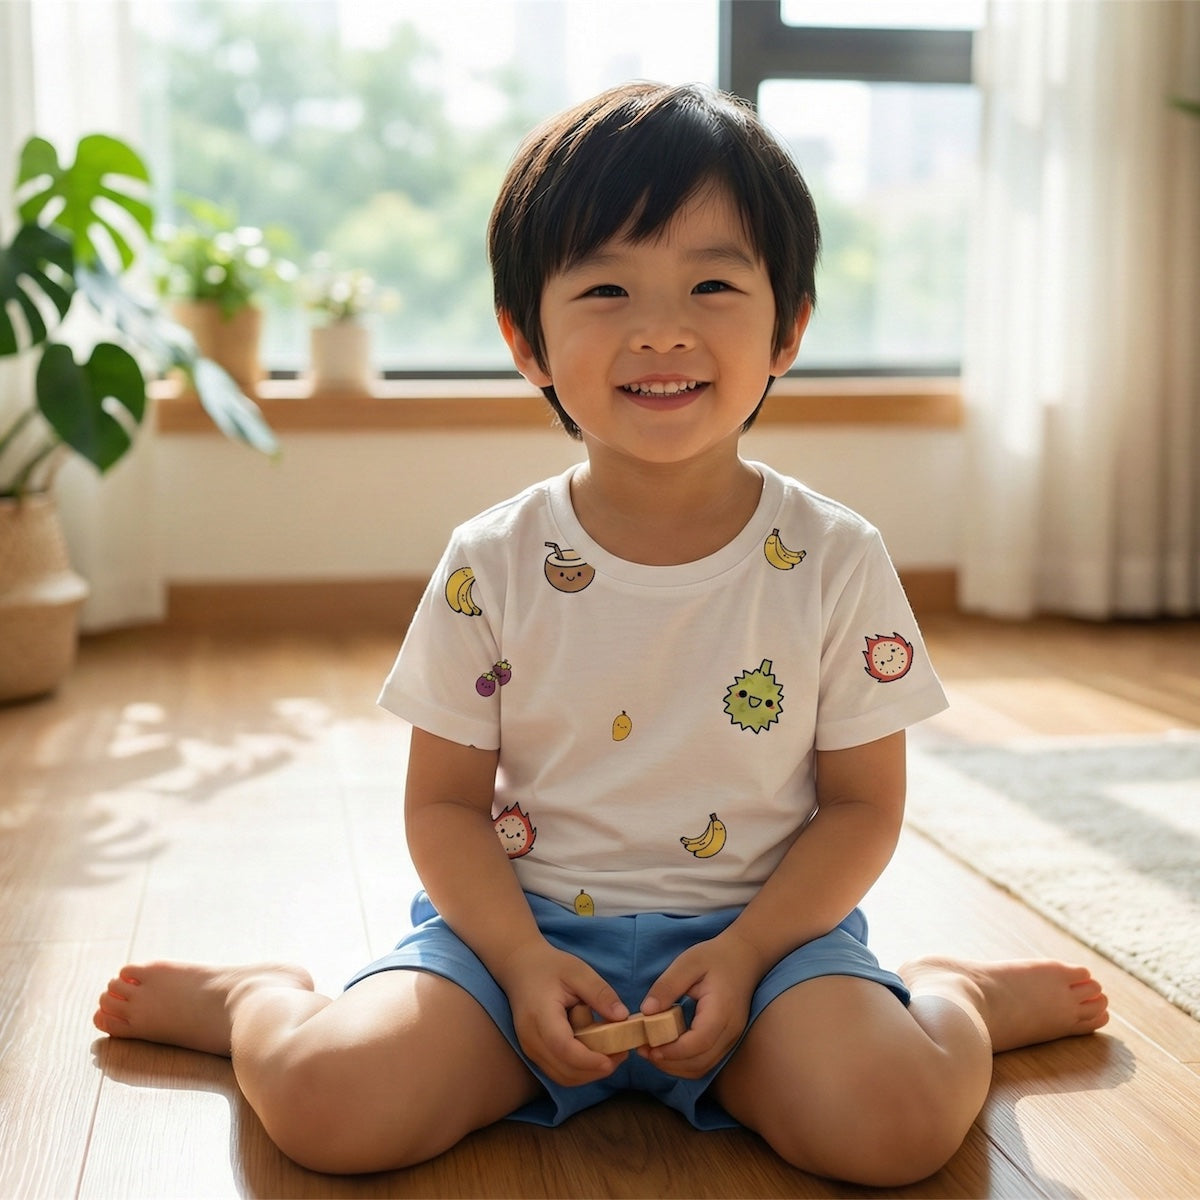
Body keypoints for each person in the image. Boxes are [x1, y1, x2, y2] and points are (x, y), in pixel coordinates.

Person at [93, 82, 1108, 1186]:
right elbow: (442, 804)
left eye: (714, 284)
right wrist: (522, 964)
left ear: (791, 327)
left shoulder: (836, 557)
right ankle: (262, 998)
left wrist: (753, 949)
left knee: (897, 1127)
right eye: (607, 287)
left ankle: (951, 996)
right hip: (516, 946)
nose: (661, 328)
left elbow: (864, 806)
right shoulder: (491, 560)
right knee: (333, 1108)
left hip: (766, 950)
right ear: (527, 340)